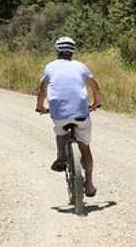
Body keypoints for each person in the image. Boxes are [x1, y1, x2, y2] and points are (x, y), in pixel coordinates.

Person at [35, 36, 103, 197]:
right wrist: (95, 104)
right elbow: (96, 88)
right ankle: (90, 184)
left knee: (60, 132)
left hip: (59, 113)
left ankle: (60, 157)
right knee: (85, 146)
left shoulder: (50, 67)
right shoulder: (81, 67)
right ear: (73, 51)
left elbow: (41, 91)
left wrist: (40, 107)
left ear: (57, 51)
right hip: (81, 112)